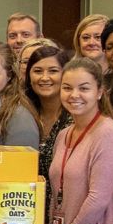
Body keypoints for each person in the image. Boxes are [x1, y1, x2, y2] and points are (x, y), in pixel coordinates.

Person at [47, 57, 113, 224]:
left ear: (99, 92)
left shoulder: (108, 133)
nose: (74, 95)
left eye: (84, 88)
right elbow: (56, 192)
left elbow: (98, 198)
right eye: (67, 88)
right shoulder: (64, 134)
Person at [22, 43, 73, 177]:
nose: (44, 78)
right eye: (38, 71)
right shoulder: (22, 114)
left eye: (53, 71)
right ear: (28, 76)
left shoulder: (75, 118)